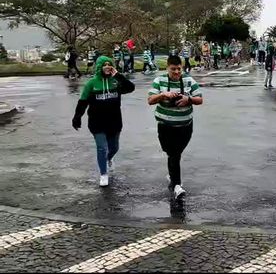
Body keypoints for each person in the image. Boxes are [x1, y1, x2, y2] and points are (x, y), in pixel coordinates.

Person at [72, 56, 136, 187]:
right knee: (101, 148)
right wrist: (77, 117)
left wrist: (119, 76)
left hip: (114, 121)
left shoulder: (116, 81)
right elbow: (83, 101)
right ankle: (103, 174)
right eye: (104, 65)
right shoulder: (92, 83)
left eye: (109, 64)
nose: (107, 66)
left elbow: (130, 88)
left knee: (114, 148)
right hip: (97, 122)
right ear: (99, 67)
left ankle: (109, 158)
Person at [147, 55, 203, 200]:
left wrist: (188, 99)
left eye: (179, 69)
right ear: (167, 68)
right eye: (173, 69)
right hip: (165, 126)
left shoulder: (189, 80)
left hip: (185, 125)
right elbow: (150, 100)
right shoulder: (159, 81)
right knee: (171, 152)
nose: (177, 72)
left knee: (175, 153)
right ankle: (175, 180)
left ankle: (176, 183)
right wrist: (163, 95)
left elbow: (200, 99)